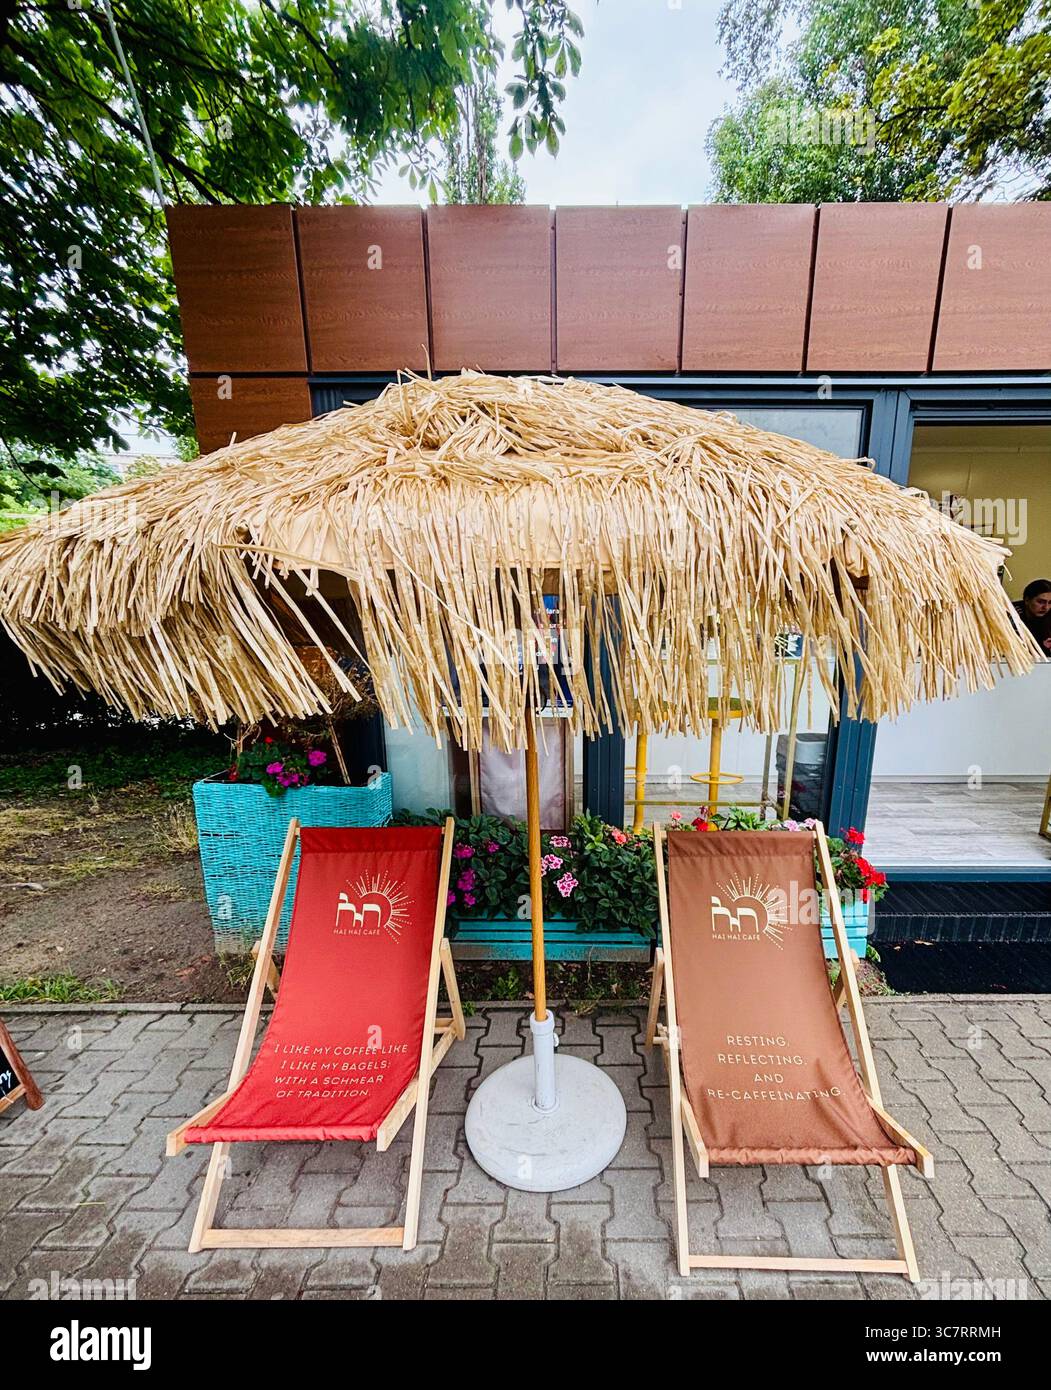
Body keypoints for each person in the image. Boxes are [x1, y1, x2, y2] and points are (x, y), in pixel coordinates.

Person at [1013, 579, 1051, 652]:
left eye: (1050, 603)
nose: (1046, 607)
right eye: (1040, 602)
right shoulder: (1012, 612)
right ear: (1027, 600)